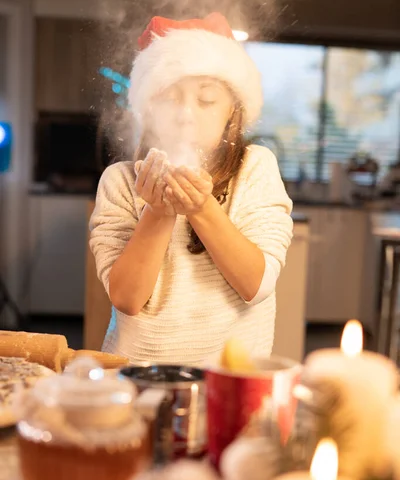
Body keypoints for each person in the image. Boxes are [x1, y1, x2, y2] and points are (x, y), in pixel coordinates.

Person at [90, 12, 293, 365]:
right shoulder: (120, 182)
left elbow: (256, 286)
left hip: (229, 380)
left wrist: (201, 208)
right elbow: (126, 298)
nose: (185, 115)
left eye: (206, 100)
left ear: (232, 110)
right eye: (170, 98)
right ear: (148, 110)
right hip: (135, 376)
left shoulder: (255, 168)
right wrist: (158, 212)